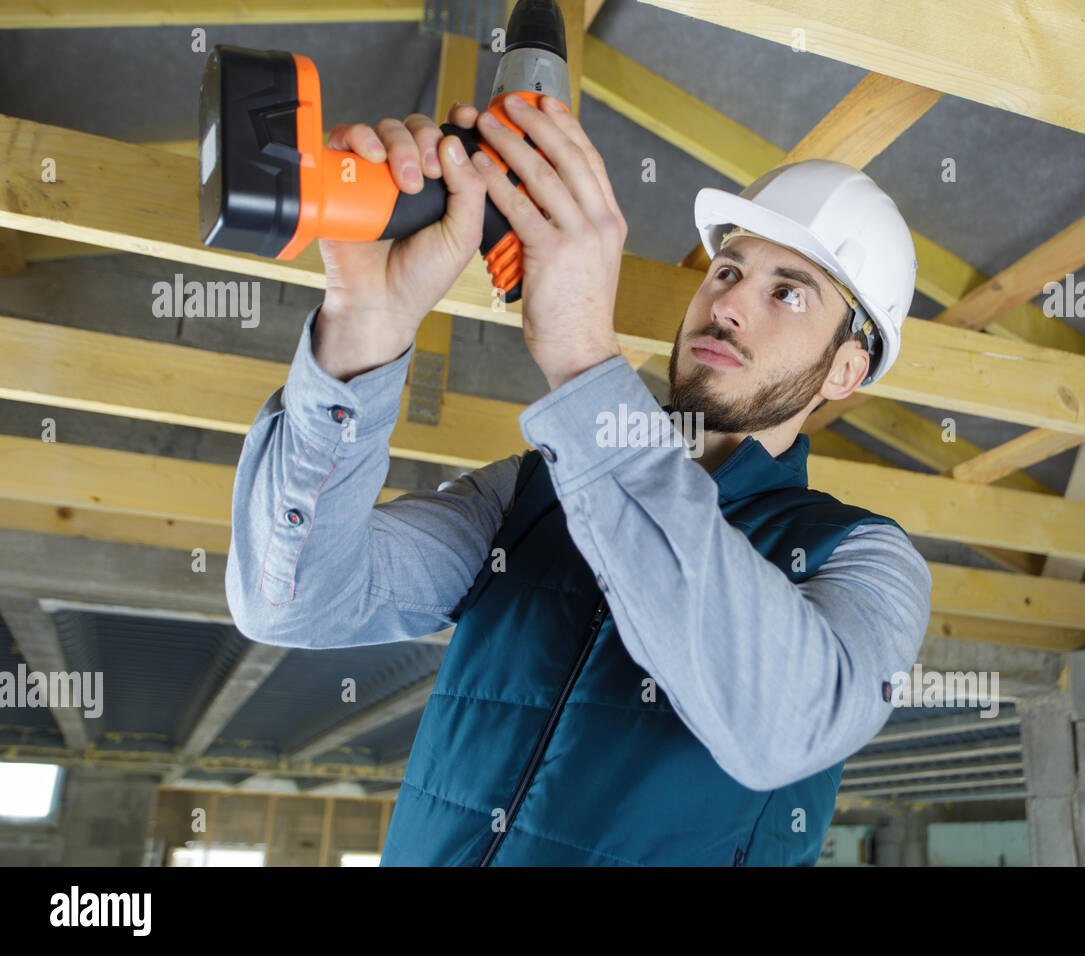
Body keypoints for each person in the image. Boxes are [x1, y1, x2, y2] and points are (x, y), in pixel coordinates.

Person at [226, 93, 931, 866]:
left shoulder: (863, 557)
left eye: (786, 291)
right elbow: (292, 600)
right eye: (727, 269)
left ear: (846, 369)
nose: (727, 302)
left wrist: (585, 368)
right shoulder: (534, 495)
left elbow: (781, 727)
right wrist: (362, 332)